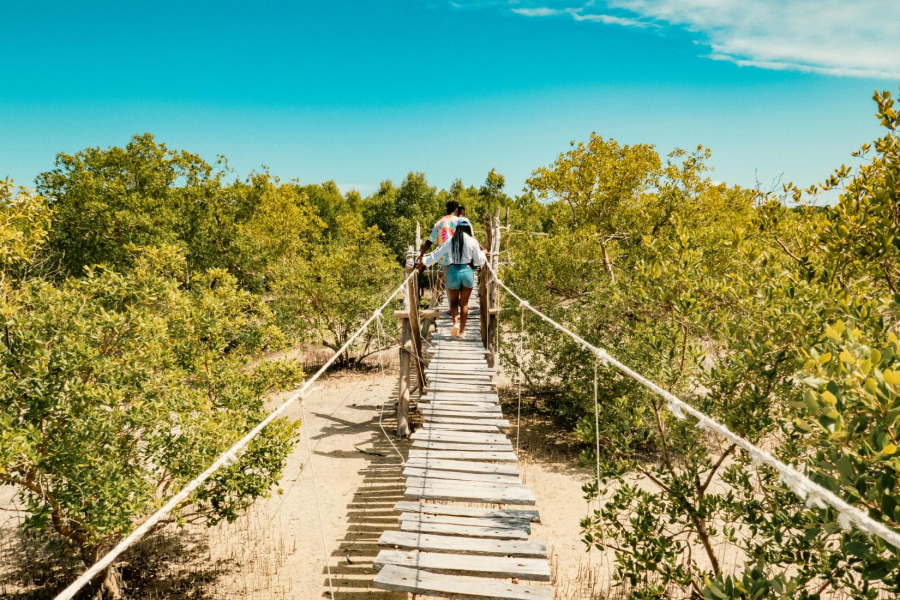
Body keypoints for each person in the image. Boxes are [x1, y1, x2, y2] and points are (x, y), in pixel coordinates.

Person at [417, 217, 486, 337]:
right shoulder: (472, 241)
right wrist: (483, 253)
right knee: (464, 304)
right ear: (469, 227)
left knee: (453, 303)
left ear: (457, 228)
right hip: (468, 271)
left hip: (453, 271)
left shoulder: (450, 240)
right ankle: (462, 332)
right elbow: (480, 261)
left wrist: (423, 261)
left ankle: (455, 323)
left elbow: (436, 255)